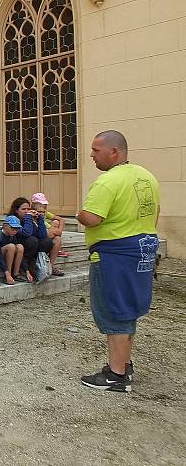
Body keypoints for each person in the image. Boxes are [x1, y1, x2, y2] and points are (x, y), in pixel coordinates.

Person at [78, 130, 159, 393]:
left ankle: (116, 375)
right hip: (142, 249)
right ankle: (124, 363)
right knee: (130, 308)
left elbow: (93, 218)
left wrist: (80, 213)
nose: (91, 155)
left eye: (96, 150)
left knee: (115, 310)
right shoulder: (146, 177)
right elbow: (155, 212)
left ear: (114, 152)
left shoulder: (108, 181)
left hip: (114, 254)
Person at [8, 197, 52, 279]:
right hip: (18, 246)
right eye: (23, 209)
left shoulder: (28, 219)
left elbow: (42, 235)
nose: (26, 211)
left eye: (28, 209)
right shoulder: (13, 220)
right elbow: (26, 233)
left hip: (31, 249)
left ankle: (37, 264)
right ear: (16, 210)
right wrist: (28, 217)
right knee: (32, 240)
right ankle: (24, 267)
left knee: (47, 241)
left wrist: (40, 219)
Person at [30, 192, 66, 275]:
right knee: (54, 233)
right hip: (36, 240)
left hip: (45, 236)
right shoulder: (35, 215)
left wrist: (58, 232)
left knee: (57, 238)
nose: (42, 212)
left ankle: (50, 266)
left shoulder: (44, 213)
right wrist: (57, 232)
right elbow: (51, 232)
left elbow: (62, 220)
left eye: (44, 206)